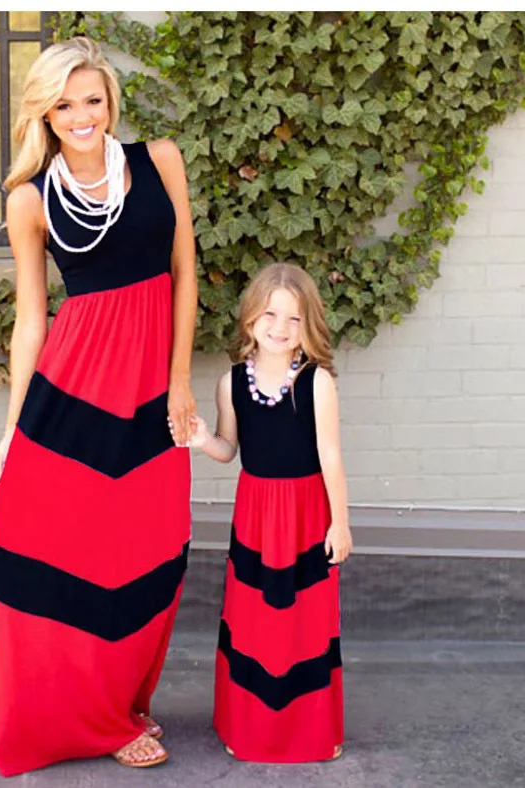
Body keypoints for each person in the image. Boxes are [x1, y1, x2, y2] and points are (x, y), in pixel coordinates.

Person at [0, 37, 197, 776]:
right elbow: (32, 319)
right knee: (64, 554)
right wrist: (12, 430)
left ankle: (117, 701)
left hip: (149, 391)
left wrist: (179, 380)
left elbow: (185, 272)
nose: (81, 116)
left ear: (110, 101)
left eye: (93, 100)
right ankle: (96, 721)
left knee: (149, 551)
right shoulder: (29, 199)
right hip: (72, 391)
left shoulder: (159, 160)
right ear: (44, 113)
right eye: (64, 104)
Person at [183, 262, 351, 763]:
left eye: (294, 318)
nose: (280, 327)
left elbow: (331, 456)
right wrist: (201, 440)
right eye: (270, 315)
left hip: (306, 514)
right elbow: (228, 448)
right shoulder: (232, 383)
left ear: (309, 324)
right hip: (255, 514)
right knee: (254, 621)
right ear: (251, 317)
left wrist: (340, 523)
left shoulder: (317, 383)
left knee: (306, 622)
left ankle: (313, 733)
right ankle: (248, 728)